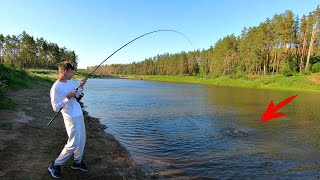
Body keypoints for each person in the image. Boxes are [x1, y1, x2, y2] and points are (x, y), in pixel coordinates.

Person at [48, 61, 88, 179]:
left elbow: (76, 96)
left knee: (82, 140)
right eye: (72, 71)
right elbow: (55, 107)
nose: (73, 73)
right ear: (65, 71)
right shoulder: (56, 87)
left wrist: (81, 87)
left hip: (79, 114)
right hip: (70, 117)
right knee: (73, 142)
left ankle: (77, 162)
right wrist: (67, 97)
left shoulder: (70, 81)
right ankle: (55, 165)